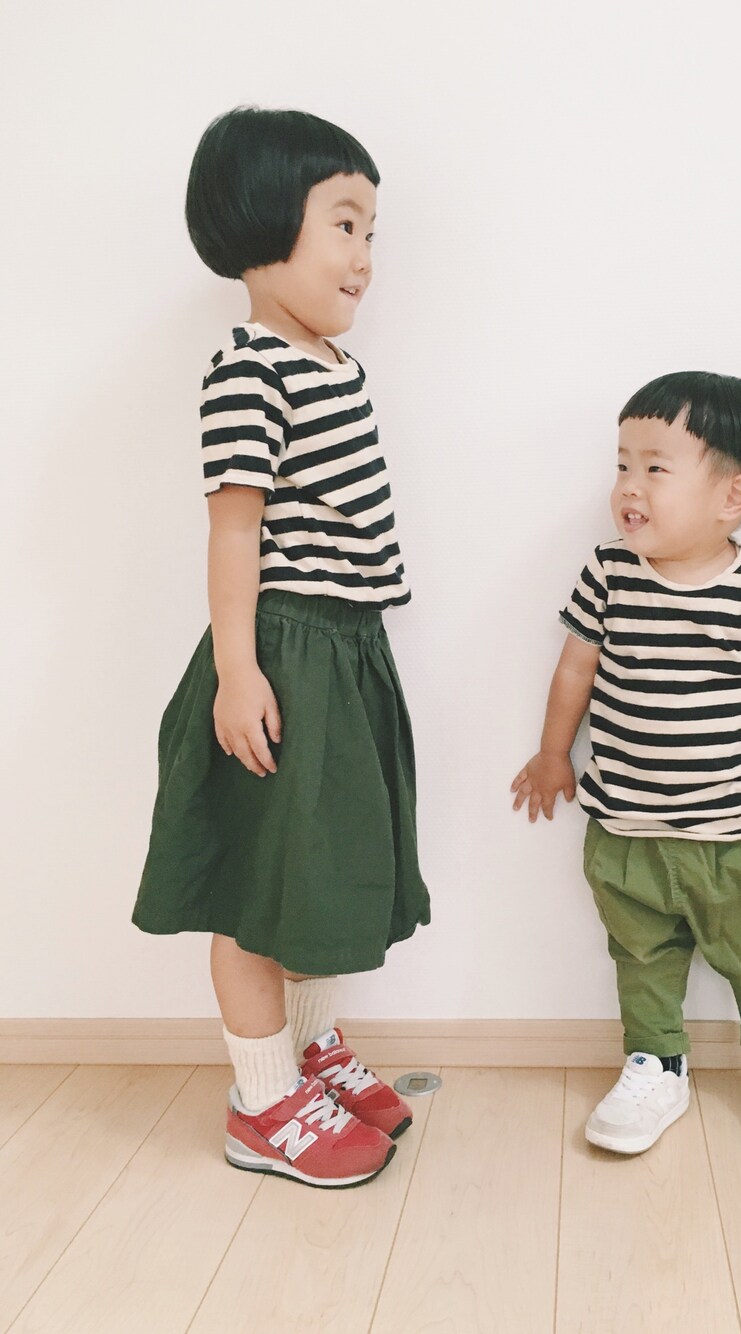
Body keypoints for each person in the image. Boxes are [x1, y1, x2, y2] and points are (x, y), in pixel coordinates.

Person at [133, 106, 430, 1188]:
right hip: (284, 652)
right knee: (263, 888)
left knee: (320, 875)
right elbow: (235, 528)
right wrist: (239, 670)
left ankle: (307, 1055)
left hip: (346, 649)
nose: (364, 255)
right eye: (344, 224)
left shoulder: (332, 364)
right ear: (264, 222)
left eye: (370, 232)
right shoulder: (250, 367)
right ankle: (262, 1102)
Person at [511, 372, 741, 1155]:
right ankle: (657, 1063)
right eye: (622, 464)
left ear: (732, 496)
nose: (628, 486)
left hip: (735, 831)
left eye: (654, 467)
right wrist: (552, 755)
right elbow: (574, 671)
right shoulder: (609, 573)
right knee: (641, 958)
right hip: (626, 827)